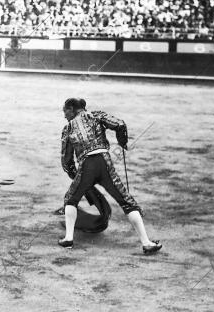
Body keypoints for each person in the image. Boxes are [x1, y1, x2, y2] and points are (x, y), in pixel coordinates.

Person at [58, 98, 162, 255]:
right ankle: (146, 243)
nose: (64, 114)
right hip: (105, 162)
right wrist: (123, 143)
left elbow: (66, 162)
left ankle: (68, 239)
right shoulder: (97, 115)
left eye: (65, 110)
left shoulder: (68, 128)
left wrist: (78, 179)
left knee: (70, 199)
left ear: (72, 109)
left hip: (86, 166)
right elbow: (120, 124)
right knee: (126, 201)